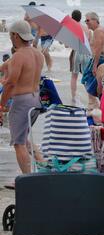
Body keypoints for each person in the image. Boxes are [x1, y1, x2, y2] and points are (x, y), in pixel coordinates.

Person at [0, 20, 44, 174]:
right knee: (24, 138)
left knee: (18, 143)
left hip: (22, 102)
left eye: (11, 35)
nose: (11, 38)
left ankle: (27, 179)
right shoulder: (38, 54)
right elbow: (5, 67)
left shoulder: (19, 56)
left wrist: (1, 106)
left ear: (15, 36)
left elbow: (11, 83)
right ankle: (44, 166)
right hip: (35, 100)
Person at [82, 12, 104, 111]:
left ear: (95, 20)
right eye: (85, 20)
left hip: (100, 59)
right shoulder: (101, 30)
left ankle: (95, 104)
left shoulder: (98, 31)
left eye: (88, 20)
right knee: (96, 83)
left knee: (86, 79)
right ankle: (96, 104)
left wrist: (94, 65)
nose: (86, 22)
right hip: (102, 58)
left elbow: (98, 50)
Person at [69, 10, 92, 107]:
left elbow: (68, 44)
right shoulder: (86, 28)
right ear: (80, 17)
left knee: (74, 76)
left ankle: (74, 96)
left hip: (76, 53)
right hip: (86, 53)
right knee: (86, 77)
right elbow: (89, 42)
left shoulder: (71, 28)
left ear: (72, 17)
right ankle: (90, 97)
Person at [32, 4, 53, 72]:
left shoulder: (49, 18)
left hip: (49, 38)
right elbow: (38, 31)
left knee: (45, 51)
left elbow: (54, 29)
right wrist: (36, 39)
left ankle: (49, 67)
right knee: (45, 52)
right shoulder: (38, 20)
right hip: (43, 38)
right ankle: (49, 66)